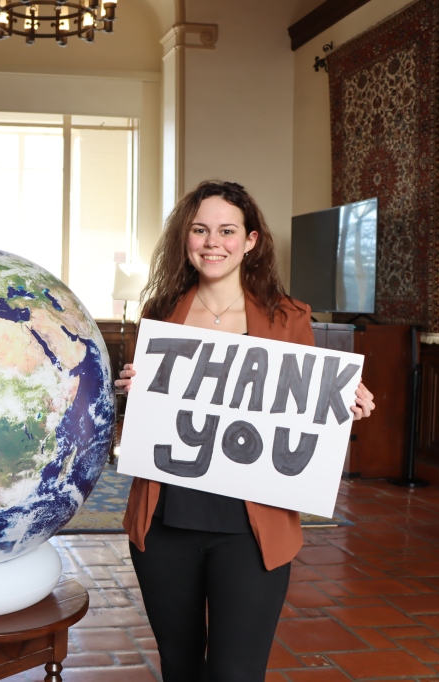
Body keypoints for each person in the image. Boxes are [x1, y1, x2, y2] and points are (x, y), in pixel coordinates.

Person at [116, 180, 375, 681]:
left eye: (227, 231)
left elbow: (300, 411)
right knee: (181, 669)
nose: (212, 242)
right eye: (200, 230)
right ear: (185, 239)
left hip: (251, 531)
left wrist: (343, 400)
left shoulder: (288, 317)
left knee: (237, 673)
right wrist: (136, 389)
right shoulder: (159, 314)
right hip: (166, 522)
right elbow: (148, 423)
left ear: (250, 241)